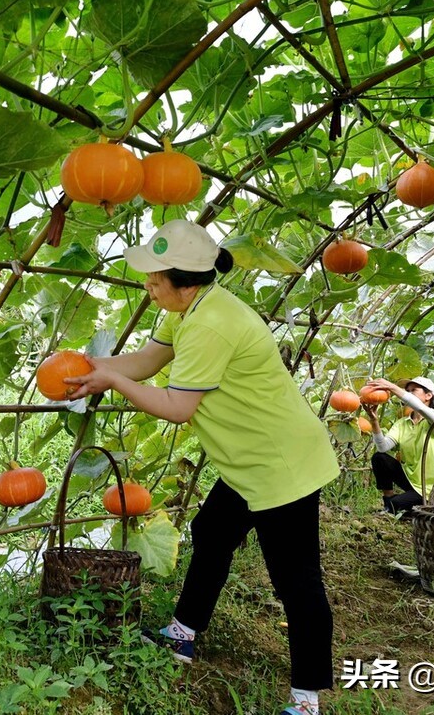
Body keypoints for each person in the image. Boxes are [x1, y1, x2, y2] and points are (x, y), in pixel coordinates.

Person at [63, 219, 339, 715]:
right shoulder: (188, 309)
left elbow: (176, 406)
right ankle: (183, 635)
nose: (147, 286)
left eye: (154, 279)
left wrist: (110, 381)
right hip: (248, 459)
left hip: (281, 464)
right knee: (212, 531)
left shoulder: (212, 324)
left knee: (297, 582)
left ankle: (306, 699)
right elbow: (147, 362)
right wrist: (86, 368)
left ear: (185, 282)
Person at [360, 376, 434, 516]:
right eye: (407, 391)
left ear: (428, 395)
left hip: (433, 488)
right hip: (411, 481)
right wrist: (374, 421)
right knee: (380, 457)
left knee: (397, 504)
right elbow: (383, 447)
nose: (408, 393)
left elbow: (419, 407)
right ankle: (389, 503)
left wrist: (392, 387)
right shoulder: (402, 423)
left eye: (413, 390)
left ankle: (398, 507)